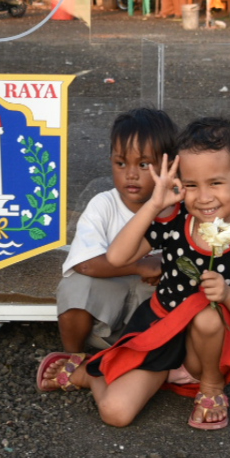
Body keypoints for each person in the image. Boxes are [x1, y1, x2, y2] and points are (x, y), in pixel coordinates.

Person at [37, 118, 230, 431]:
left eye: (216, 183)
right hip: (159, 332)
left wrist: (228, 295)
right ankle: (89, 372)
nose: (204, 197)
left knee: (207, 315)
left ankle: (210, 388)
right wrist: (154, 206)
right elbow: (117, 257)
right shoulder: (176, 221)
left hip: (207, 348)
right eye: (191, 185)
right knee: (115, 413)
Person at [55, 108, 177, 354]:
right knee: (75, 286)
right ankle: (74, 357)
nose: (130, 174)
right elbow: (85, 264)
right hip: (105, 311)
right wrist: (140, 265)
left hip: (153, 315)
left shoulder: (179, 209)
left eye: (143, 164)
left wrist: (165, 263)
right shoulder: (103, 204)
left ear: (169, 166)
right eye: (121, 163)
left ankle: (162, 360)